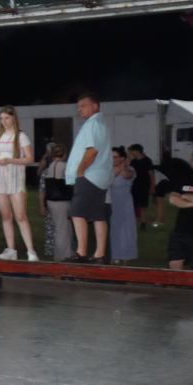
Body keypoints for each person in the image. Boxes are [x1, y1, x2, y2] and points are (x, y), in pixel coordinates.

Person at [66, 93, 112, 263]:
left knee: (76, 212)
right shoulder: (99, 123)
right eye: (78, 106)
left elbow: (92, 150)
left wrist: (80, 170)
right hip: (99, 177)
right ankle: (100, 254)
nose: (80, 109)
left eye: (83, 106)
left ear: (95, 106)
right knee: (97, 215)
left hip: (90, 176)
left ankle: (82, 252)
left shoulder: (93, 124)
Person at [0, 107, 38, 260]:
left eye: (7, 118)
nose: (4, 121)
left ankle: (31, 250)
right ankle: (11, 249)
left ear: (14, 118)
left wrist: (11, 160)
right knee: (6, 215)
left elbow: (30, 158)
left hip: (15, 178)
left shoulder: (21, 136)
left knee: (20, 215)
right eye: (2, 118)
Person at [40, 143, 74, 261]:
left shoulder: (50, 166)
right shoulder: (66, 166)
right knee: (63, 228)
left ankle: (65, 253)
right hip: (63, 200)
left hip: (51, 200)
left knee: (61, 227)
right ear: (65, 155)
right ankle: (64, 255)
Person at [108, 147, 138, 264]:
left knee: (125, 232)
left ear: (122, 158)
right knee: (112, 230)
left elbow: (126, 175)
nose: (112, 159)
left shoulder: (130, 169)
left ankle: (125, 260)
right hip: (111, 203)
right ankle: (112, 258)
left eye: (115, 157)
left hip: (124, 204)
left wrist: (123, 166)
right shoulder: (107, 169)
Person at [127, 144, 155, 231]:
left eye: (133, 151)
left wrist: (152, 186)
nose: (132, 153)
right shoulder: (133, 162)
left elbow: (151, 174)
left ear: (137, 151)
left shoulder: (147, 161)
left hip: (144, 186)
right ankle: (135, 222)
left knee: (143, 206)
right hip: (135, 186)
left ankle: (143, 224)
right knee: (133, 205)